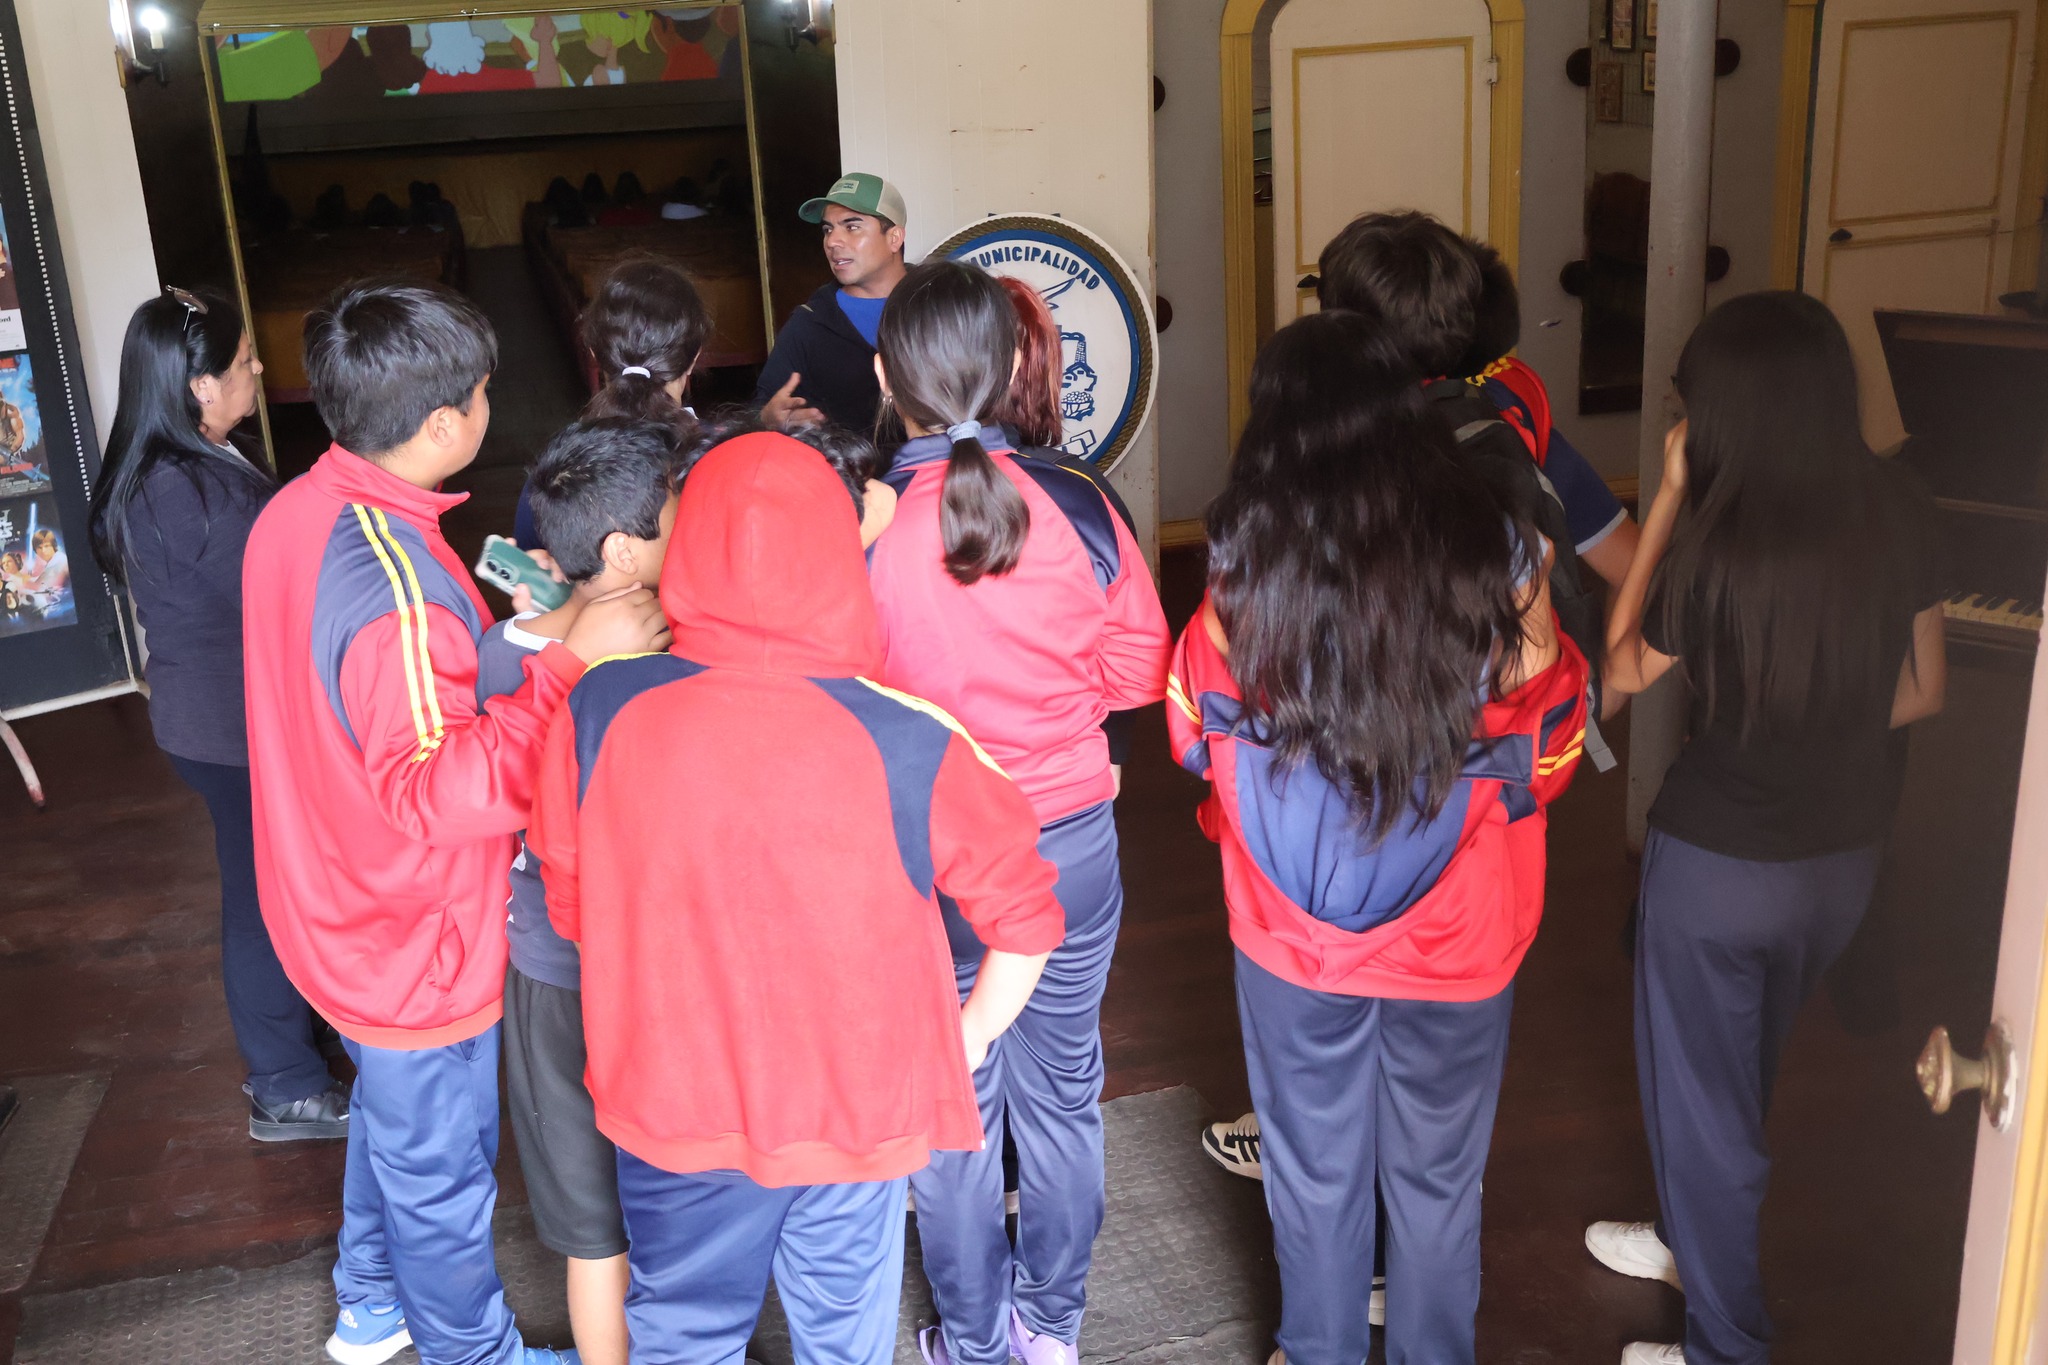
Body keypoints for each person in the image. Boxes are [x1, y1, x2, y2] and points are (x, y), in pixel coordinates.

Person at [525, 429, 1063, 1365]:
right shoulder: (910, 734)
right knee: (843, 1335)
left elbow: (572, 907)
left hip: (674, 1099)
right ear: (836, 553)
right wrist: (964, 1034)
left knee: (682, 1332)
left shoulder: (599, 706)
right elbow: (1027, 915)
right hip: (856, 1109)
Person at [241, 279, 667, 1365]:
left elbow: (357, 702)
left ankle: (370, 1301)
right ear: (443, 426)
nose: (487, 407)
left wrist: (516, 640)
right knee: (441, 1169)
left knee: (394, 1111)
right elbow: (437, 793)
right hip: (410, 934)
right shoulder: (393, 589)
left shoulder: (303, 509)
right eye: (481, 394)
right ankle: (468, 1352)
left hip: (328, 890)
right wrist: (574, 661)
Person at [1169, 309, 1590, 1365]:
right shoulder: (1498, 546)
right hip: (1459, 933)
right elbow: (1551, 738)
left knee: (1311, 1175)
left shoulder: (1239, 558)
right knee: (1439, 1183)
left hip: (1289, 931)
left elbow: (1188, 729)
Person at [1200, 214, 1640, 1187]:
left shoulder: (1320, 457)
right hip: (1475, 816)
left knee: (1328, 1031)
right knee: (1433, 1120)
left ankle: (1304, 1155)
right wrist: (1611, 674)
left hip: (1337, 830)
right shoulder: (1506, 419)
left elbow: (1220, 683)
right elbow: (1619, 556)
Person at [1590, 292, 1947, 1365]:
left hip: (1714, 874)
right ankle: (1684, 1241)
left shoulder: (1715, 536)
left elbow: (1616, 670)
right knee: (1733, 1083)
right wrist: (1819, 712)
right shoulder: (1899, 504)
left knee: (1708, 1112)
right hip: (1840, 864)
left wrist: (1661, 502)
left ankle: (1723, 1348)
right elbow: (1924, 690)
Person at [865, 260, 1172, 1365]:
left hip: (932, 864)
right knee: (1064, 1091)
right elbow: (1140, 668)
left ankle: (972, 1342)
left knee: (953, 1108)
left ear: (883, 377)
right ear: (1008, 371)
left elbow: (845, 708)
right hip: (1072, 846)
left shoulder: (866, 530)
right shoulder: (1081, 505)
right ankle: (1052, 1327)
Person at [85, 286, 347, 1142]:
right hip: (232, 735)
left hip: (218, 724)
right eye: (241, 364)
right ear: (196, 384)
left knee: (269, 885)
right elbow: (292, 583)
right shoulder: (185, 491)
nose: (258, 372)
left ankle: (298, 1042)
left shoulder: (183, 461)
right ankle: (284, 1083)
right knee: (264, 898)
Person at [497, 417, 685, 1365]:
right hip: (639, 971)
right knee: (667, 1198)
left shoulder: (500, 650)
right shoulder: (676, 655)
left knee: (592, 1223)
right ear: (623, 550)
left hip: (545, 968)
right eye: (674, 520)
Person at [513, 256, 709, 552]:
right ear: (694, 357)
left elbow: (531, 567)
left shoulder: (555, 473)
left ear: (593, 352)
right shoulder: (723, 456)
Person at [752, 173, 910, 432]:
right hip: (847, 472)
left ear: (894, 238)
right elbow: (758, 411)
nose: (832, 242)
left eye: (851, 226)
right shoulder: (808, 325)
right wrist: (767, 419)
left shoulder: (938, 305)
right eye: (828, 229)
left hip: (937, 471)